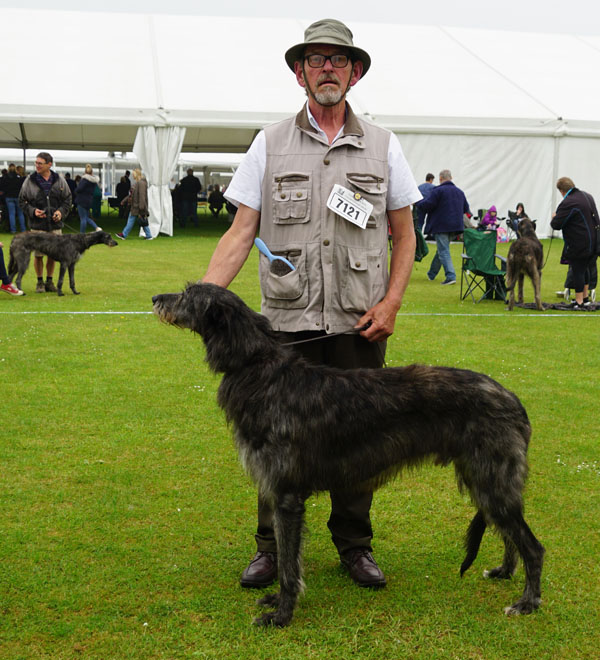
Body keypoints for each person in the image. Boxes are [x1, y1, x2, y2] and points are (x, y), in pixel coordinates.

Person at [202, 18, 420, 590]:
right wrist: (207, 298)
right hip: (285, 324)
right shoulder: (268, 142)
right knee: (275, 443)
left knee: (361, 442)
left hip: (358, 322)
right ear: (300, 73)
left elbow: (405, 234)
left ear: (356, 72)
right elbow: (240, 231)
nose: (328, 69)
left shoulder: (383, 144)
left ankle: (355, 546)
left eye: (339, 60)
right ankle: (270, 550)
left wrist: (393, 301)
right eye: (316, 60)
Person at [18, 152, 72, 293]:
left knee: (53, 255)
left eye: (40, 163)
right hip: (37, 225)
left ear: (49, 164)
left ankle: (49, 281)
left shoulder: (59, 180)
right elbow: (22, 201)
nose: (37, 165)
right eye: (36, 163)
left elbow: (67, 199)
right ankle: (39, 282)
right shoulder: (30, 180)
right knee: (38, 255)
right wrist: (33, 211)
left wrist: (60, 212)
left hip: (54, 225)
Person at [551, 177, 599, 309]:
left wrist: (554, 217)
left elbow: (556, 224)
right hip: (594, 241)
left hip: (579, 243)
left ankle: (578, 302)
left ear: (561, 190)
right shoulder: (587, 196)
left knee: (578, 270)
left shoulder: (568, 202)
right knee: (586, 268)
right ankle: (585, 298)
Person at [420, 169, 471, 285]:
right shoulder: (460, 192)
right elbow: (465, 209)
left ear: (440, 179)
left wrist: (417, 203)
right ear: (451, 178)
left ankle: (450, 276)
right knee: (442, 250)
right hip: (456, 227)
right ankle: (431, 274)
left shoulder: (438, 191)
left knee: (443, 251)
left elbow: (428, 204)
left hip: (441, 226)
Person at [116, 168, 152, 240]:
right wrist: (124, 201)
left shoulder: (140, 183)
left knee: (133, 220)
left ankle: (124, 234)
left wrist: (141, 207)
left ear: (136, 174)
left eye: (133, 174)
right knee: (142, 221)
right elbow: (131, 195)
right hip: (137, 206)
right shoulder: (139, 183)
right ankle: (148, 235)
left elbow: (142, 196)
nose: (132, 176)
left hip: (138, 206)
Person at [74, 164, 102, 233]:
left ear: (85, 171)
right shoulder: (94, 181)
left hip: (81, 200)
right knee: (86, 217)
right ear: (92, 172)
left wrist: (75, 190)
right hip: (89, 200)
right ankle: (97, 227)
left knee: (83, 218)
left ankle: (82, 234)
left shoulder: (84, 180)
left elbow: (79, 189)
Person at [0, 164, 26, 233]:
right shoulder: (19, 177)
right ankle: (23, 229)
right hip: (18, 197)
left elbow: (2, 187)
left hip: (9, 197)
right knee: (20, 213)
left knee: (12, 214)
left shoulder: (6, 177)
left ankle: (13, 230)